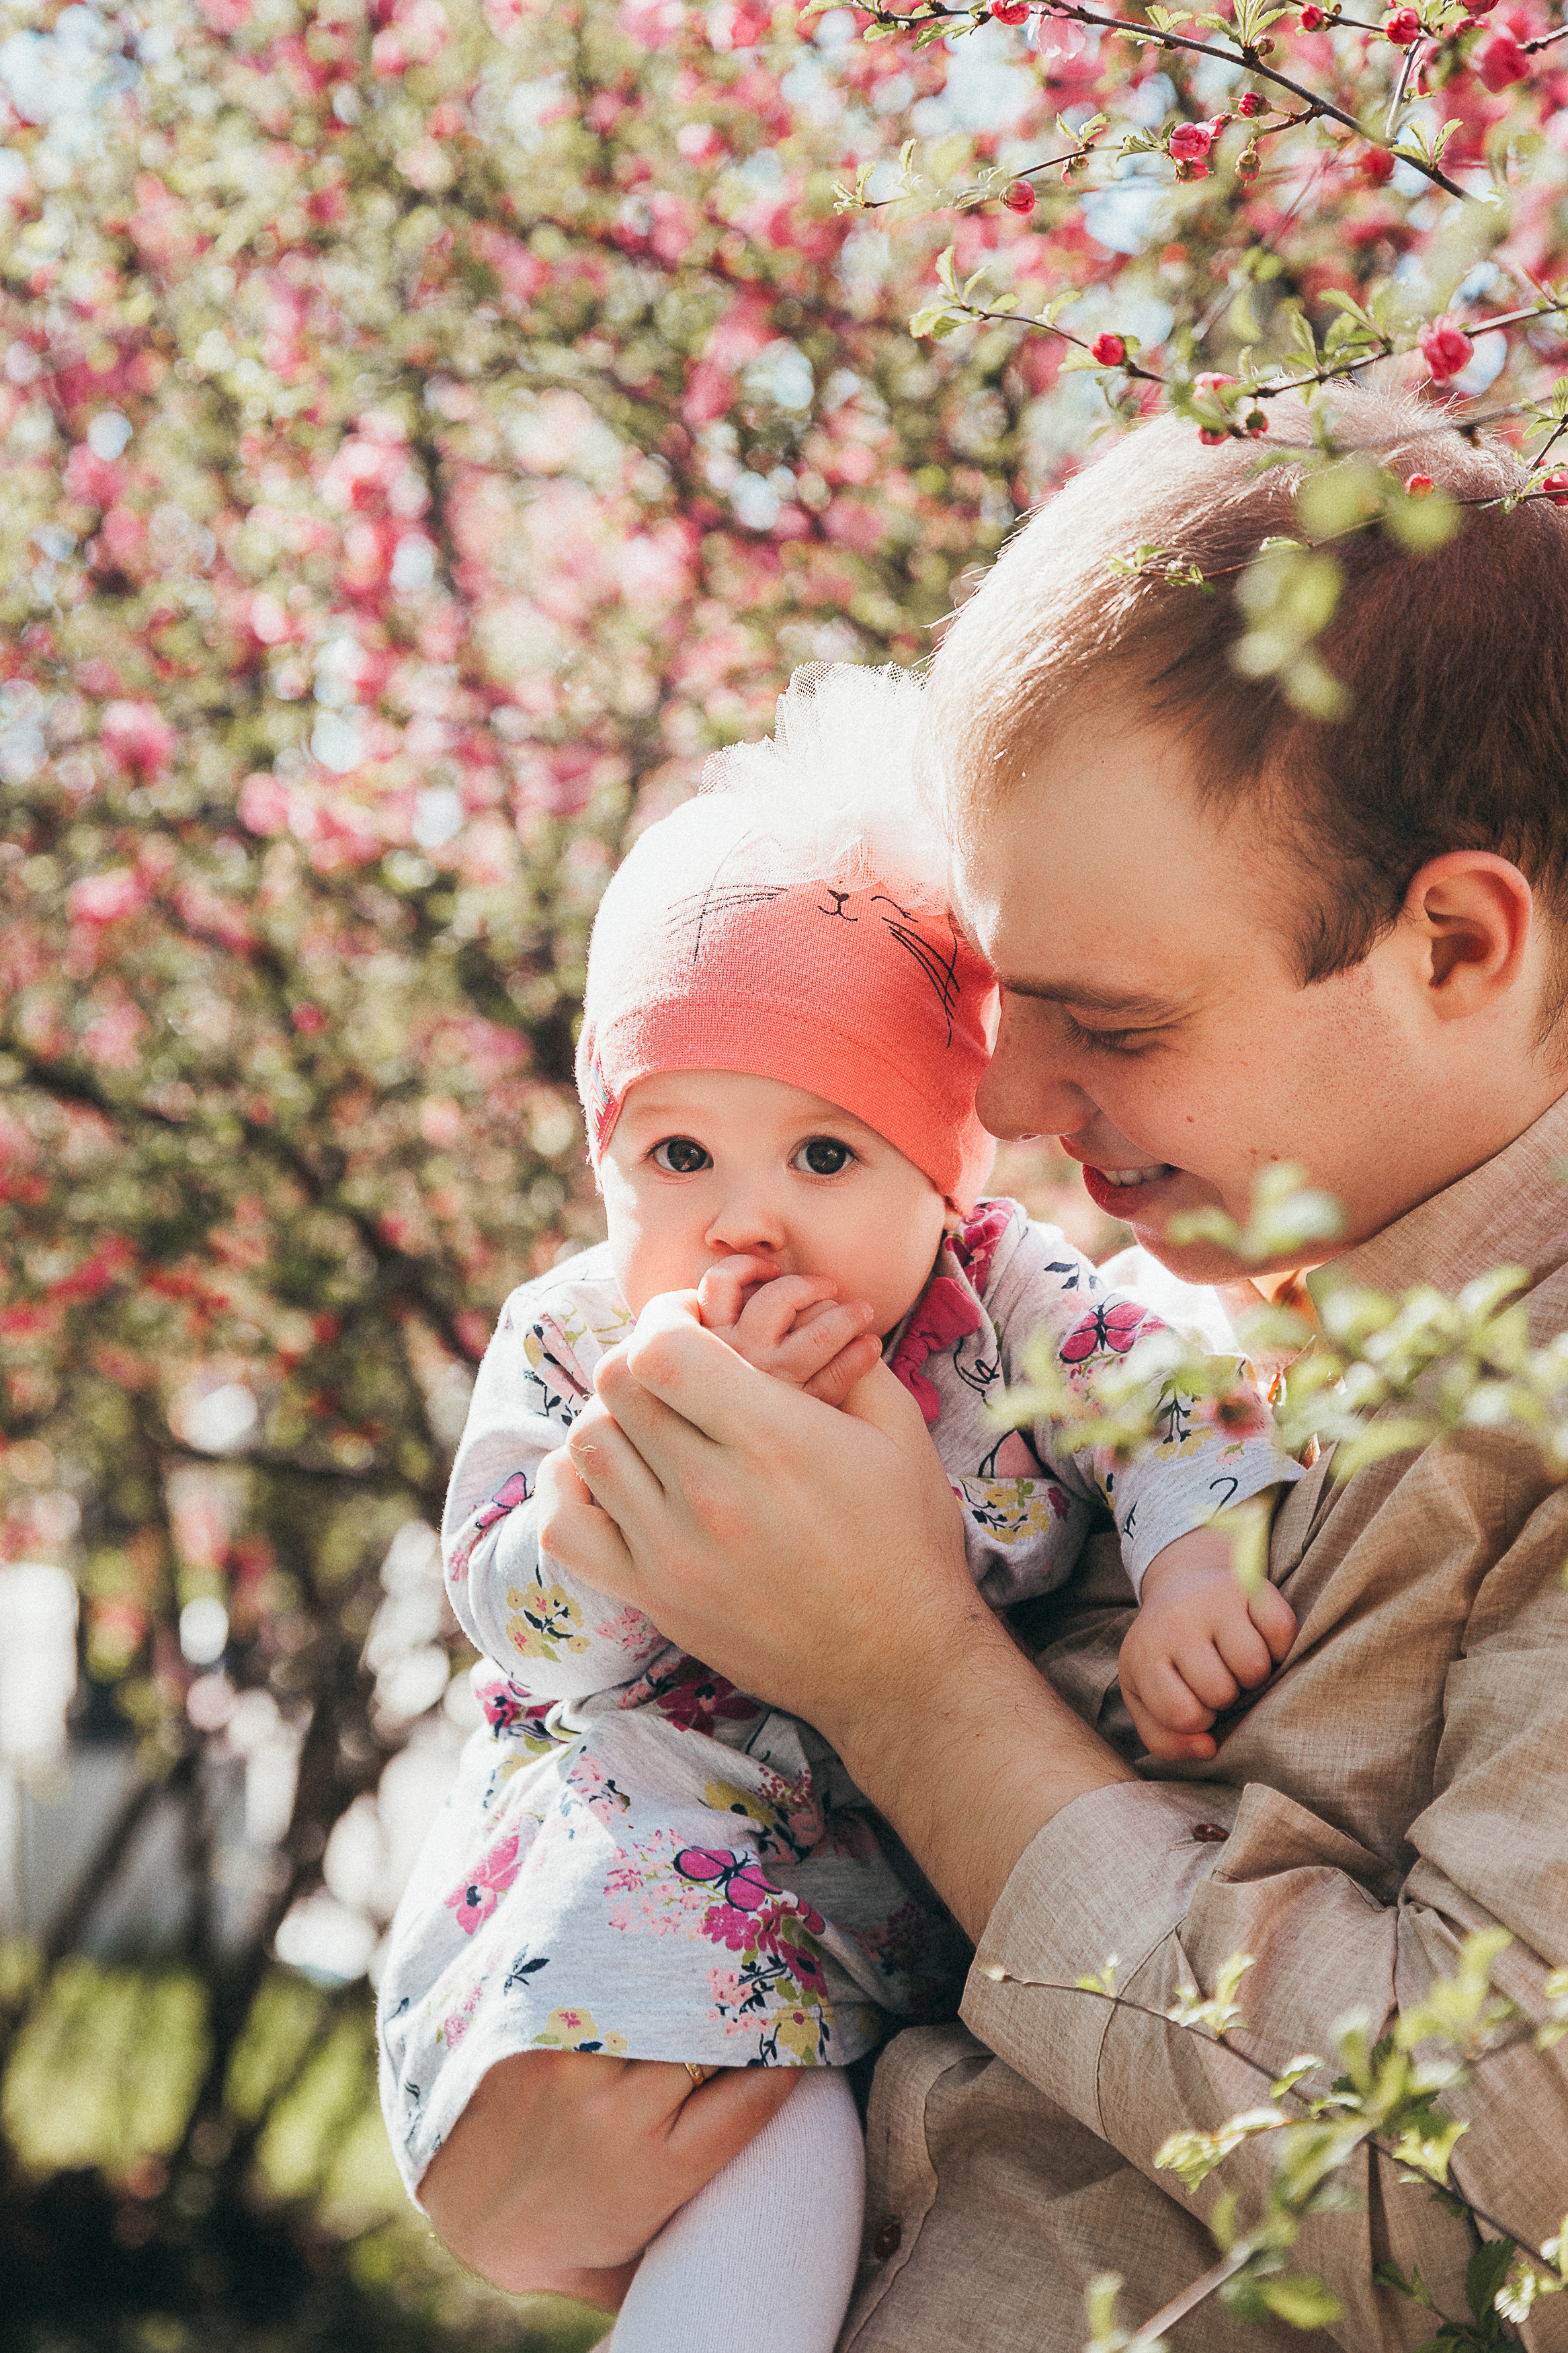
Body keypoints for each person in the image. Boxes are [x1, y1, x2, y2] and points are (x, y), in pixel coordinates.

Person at [418, 389, 1568, 2351]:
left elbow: (1463, 2203)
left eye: (1104, 1021)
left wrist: (905, 1674)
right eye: (993, 1010)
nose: (1012, 1109)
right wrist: (533, 2096)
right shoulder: (1139, 1329)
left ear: (1451, 943)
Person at [376, 665, 1301, 2352]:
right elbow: (511, 1621)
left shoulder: (996, 1300)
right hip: (647, 1874)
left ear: (941, 1174)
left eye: (824, 1158)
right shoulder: (582, 1340)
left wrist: (1190, 1556)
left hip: (892, 1916)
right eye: (680, 1158)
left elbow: (1166, 1388)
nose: (747, 1224)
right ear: (606, 1156)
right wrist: (600, 1527)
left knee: (822, 2155)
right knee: (781, 2130)